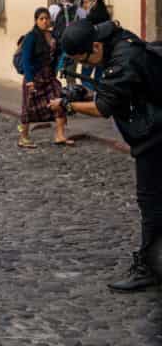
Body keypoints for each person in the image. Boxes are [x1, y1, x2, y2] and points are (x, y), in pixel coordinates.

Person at [56, 20, 162, 292]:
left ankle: (147, 269)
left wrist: (68, 104)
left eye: (86, 60)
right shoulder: (114, 40)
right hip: (152, 126)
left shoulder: (123, 61)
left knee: (151, 202)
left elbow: (103, 108)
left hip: (154, 135)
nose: (88, 66)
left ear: (95, 45)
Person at [18, 8, 72, 149]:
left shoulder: (53, 36)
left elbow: (59, 52)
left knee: (59, 100)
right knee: (28, 107)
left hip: (49, 77)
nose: (44, 21)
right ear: (36, 21)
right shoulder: (31, 37)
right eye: (41, 19)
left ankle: (60, 135)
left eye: (46, 18)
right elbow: (26, 59)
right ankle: (23, 137)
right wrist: (29, 79)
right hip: (34, 77)